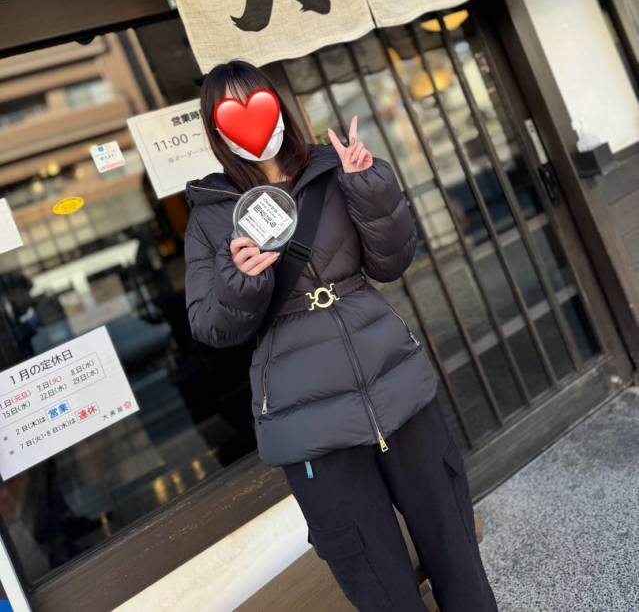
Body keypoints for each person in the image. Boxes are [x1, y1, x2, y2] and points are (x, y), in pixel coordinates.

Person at [184, 59, 499, 612]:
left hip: (396, 387)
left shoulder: (334, 170)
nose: (252, 122)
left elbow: (393, 261)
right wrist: (242, 279)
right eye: (230, 113)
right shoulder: (212, 217)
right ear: (218, 131)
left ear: (278, 105)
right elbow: (211, 327)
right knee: (378, 584)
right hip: (310, 426)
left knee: (456, 549)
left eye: (256, 102)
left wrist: (369, 186)